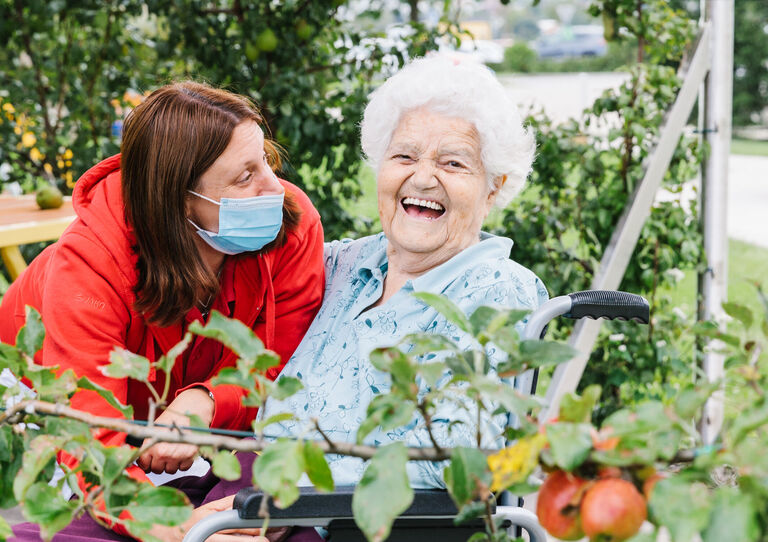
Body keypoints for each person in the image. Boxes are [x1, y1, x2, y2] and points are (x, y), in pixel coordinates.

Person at [200, 54, 548, 535]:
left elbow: (455, 466)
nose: (423, 178)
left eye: (453, 163)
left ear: (494, 188)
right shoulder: (341, 264)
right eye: (404, 156)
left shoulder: (496, 293)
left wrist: (286, 500)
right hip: (246, 496)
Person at [2, 82, 325, 541]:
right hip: (47, 416)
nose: (276, 188)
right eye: (244, 176)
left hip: (176, 427)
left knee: (278, 484)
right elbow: (87, 444)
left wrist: (205, 401)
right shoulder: (90, 265)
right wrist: (179, 530)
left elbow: (278, 362)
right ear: (179, 202)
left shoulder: (291, 225)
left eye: (267, 163)